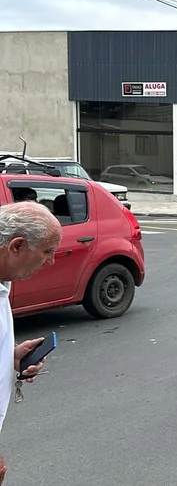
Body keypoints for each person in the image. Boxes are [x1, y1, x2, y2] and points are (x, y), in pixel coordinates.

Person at [0, 202, 62, 482]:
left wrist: (11, 359)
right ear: (16, 246)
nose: (51, 261)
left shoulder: (5, 282)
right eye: (47, 251)